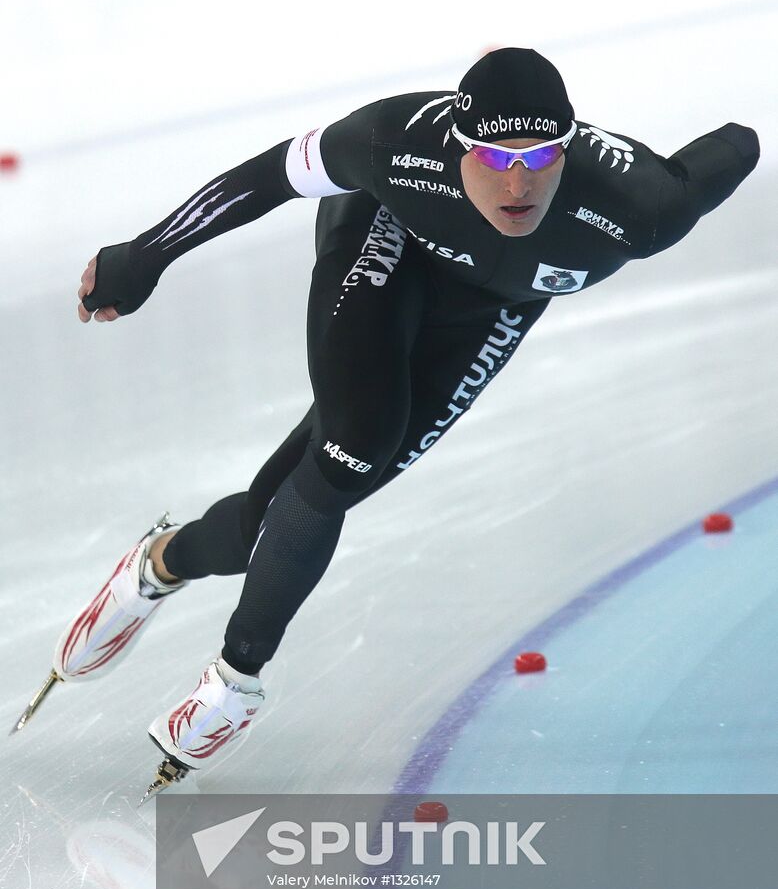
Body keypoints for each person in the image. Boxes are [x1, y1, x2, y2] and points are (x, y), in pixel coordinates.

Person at [15, 48, 760, 799]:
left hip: (488, 311)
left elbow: (739, 144)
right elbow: (270, 176)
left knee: (269, 526)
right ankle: (235, 681)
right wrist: (148, 253)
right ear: (460, 145)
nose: (518, 180)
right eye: (496, 155)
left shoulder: (640, 207)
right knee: (352, 447)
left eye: (539, 156)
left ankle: (159, 564)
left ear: (565, 148)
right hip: (386, 243)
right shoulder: (394, 143)